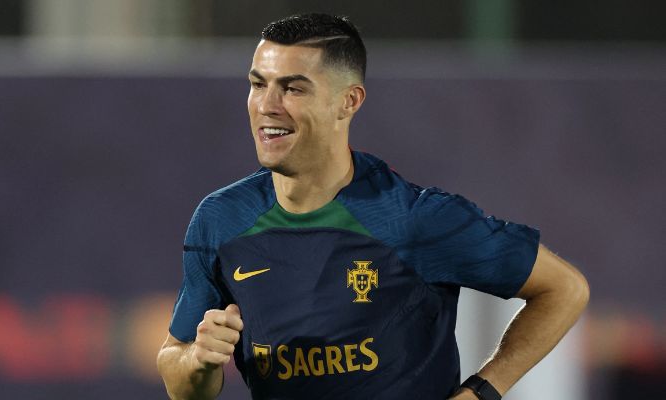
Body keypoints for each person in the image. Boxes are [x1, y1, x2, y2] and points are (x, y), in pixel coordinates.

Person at [156, 13, 589, 400]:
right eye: (257, 84)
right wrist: (199, 361)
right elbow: (179, 375)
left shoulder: (414, 218)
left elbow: (564, 289)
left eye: (292, 88)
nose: (267, 106)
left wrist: (480, 393)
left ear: (349, 101)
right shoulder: (221, 219)